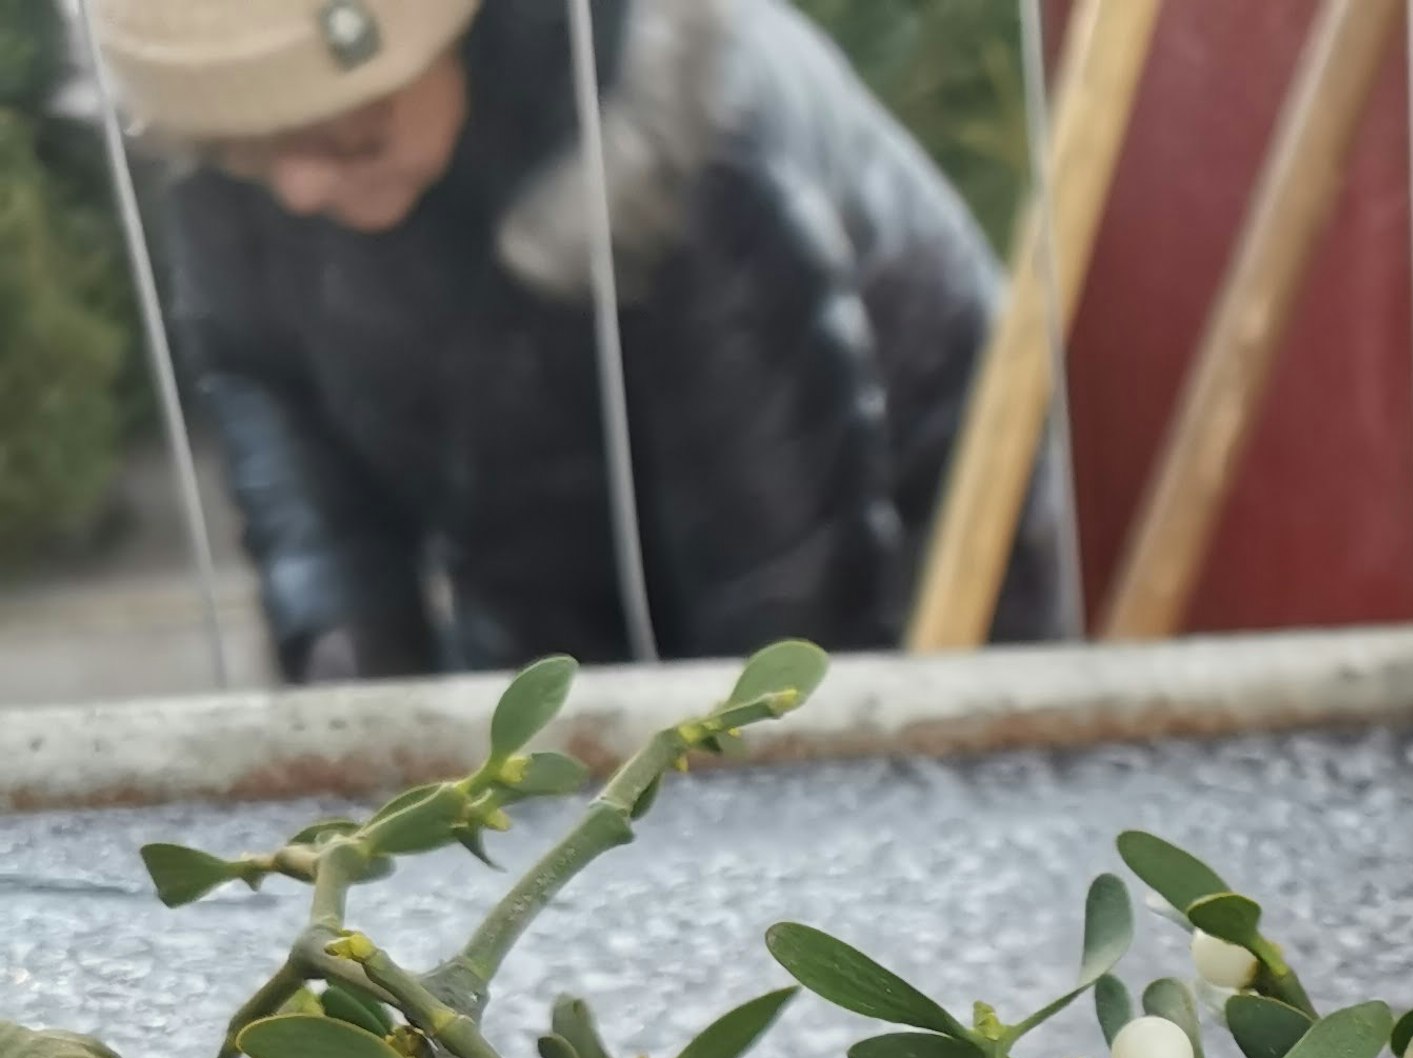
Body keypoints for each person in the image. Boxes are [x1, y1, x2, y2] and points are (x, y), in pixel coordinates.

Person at [88, 0, 1066, 678]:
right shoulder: (249, 165)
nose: (299, 189)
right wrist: (355, 701)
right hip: (557, 536)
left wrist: (777, 832)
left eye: (354, 135)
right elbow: (284, 425)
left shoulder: (687, 132)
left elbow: (791, 590)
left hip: (907, 543)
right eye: (248, 155)